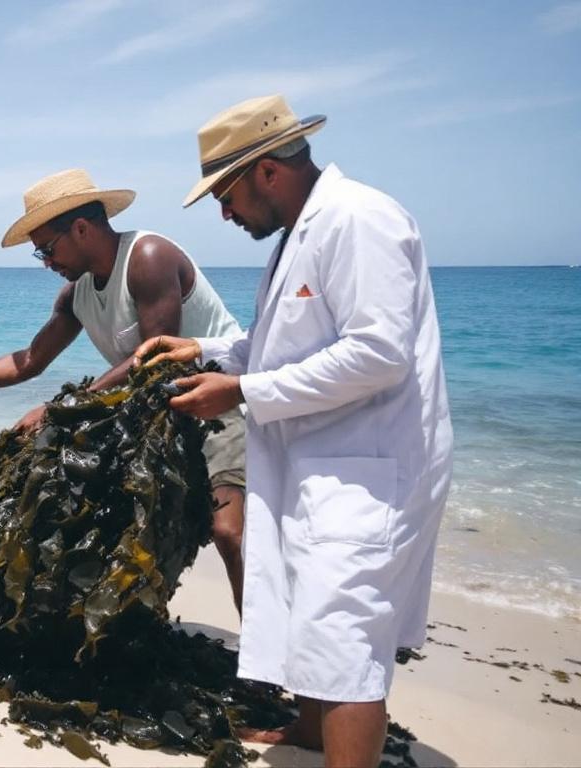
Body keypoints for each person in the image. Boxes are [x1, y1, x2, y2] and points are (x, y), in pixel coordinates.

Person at [135, 94, 452, 767]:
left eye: (226, 194)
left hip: (370, 467)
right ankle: (310, 731)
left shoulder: (359, 220)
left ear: (267, 172)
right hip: (320, 461)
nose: (223, 212)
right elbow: (283, 343)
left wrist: (242, 390)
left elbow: (378, 353)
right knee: (310, 608)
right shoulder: (299, 234)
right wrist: (209, 354)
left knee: (344, 632)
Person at [0, 168, 250, 613]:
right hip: (160, 422)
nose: (47, 262)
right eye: (40, 255)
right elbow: (30, 360)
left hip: (219, 404)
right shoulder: (76, 295)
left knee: (228, 531)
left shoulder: (148, 257)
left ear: (82, 228)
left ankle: (259, 663)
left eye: (48, 249)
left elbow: (150, 359)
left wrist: (58, 408)